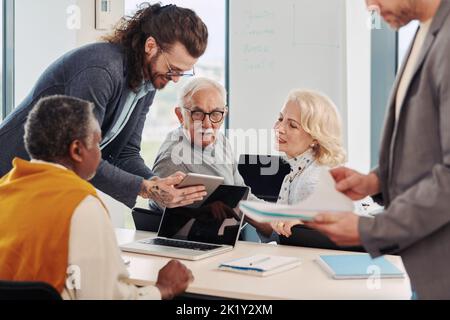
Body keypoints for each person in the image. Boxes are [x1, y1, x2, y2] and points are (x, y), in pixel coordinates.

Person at [305, 0, 450, 299]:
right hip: (426, 270)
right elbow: (429, 149)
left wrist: (370, 231)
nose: (369, 4)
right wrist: (376, 181)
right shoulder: (426, 33)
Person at [0, 3, 208, 209]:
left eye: (183, 72)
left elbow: (124, 153)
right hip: (9, 180)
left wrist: (156, 183)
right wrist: (145, 188)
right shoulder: (100, 71)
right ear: (150, 46)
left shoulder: (146, 83)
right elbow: (78, 154)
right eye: (173, 69)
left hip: (41, 190)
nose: (176, 79)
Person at [0, 95, 193, 300]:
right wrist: (163, 289)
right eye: (97, 143)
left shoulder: (5, 189)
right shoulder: (81, 205)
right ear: (77, 150)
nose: (100, 155)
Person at [150, 77, 272, 236]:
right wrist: (203, 210)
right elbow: (164, 209)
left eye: (215, 114)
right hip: (191, 244)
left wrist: (276, 216)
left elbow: (242, 195)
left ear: (224, 113)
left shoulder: (221, 142)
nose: (207, 124)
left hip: (224, 237)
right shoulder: (172, 157)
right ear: (180, 115)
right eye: (198, 113)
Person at [268, 89, 349, 238]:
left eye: (292, 125)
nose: (278, 128)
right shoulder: (302, 171)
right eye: (280, 119)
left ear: (315, 138)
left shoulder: (311, 181)